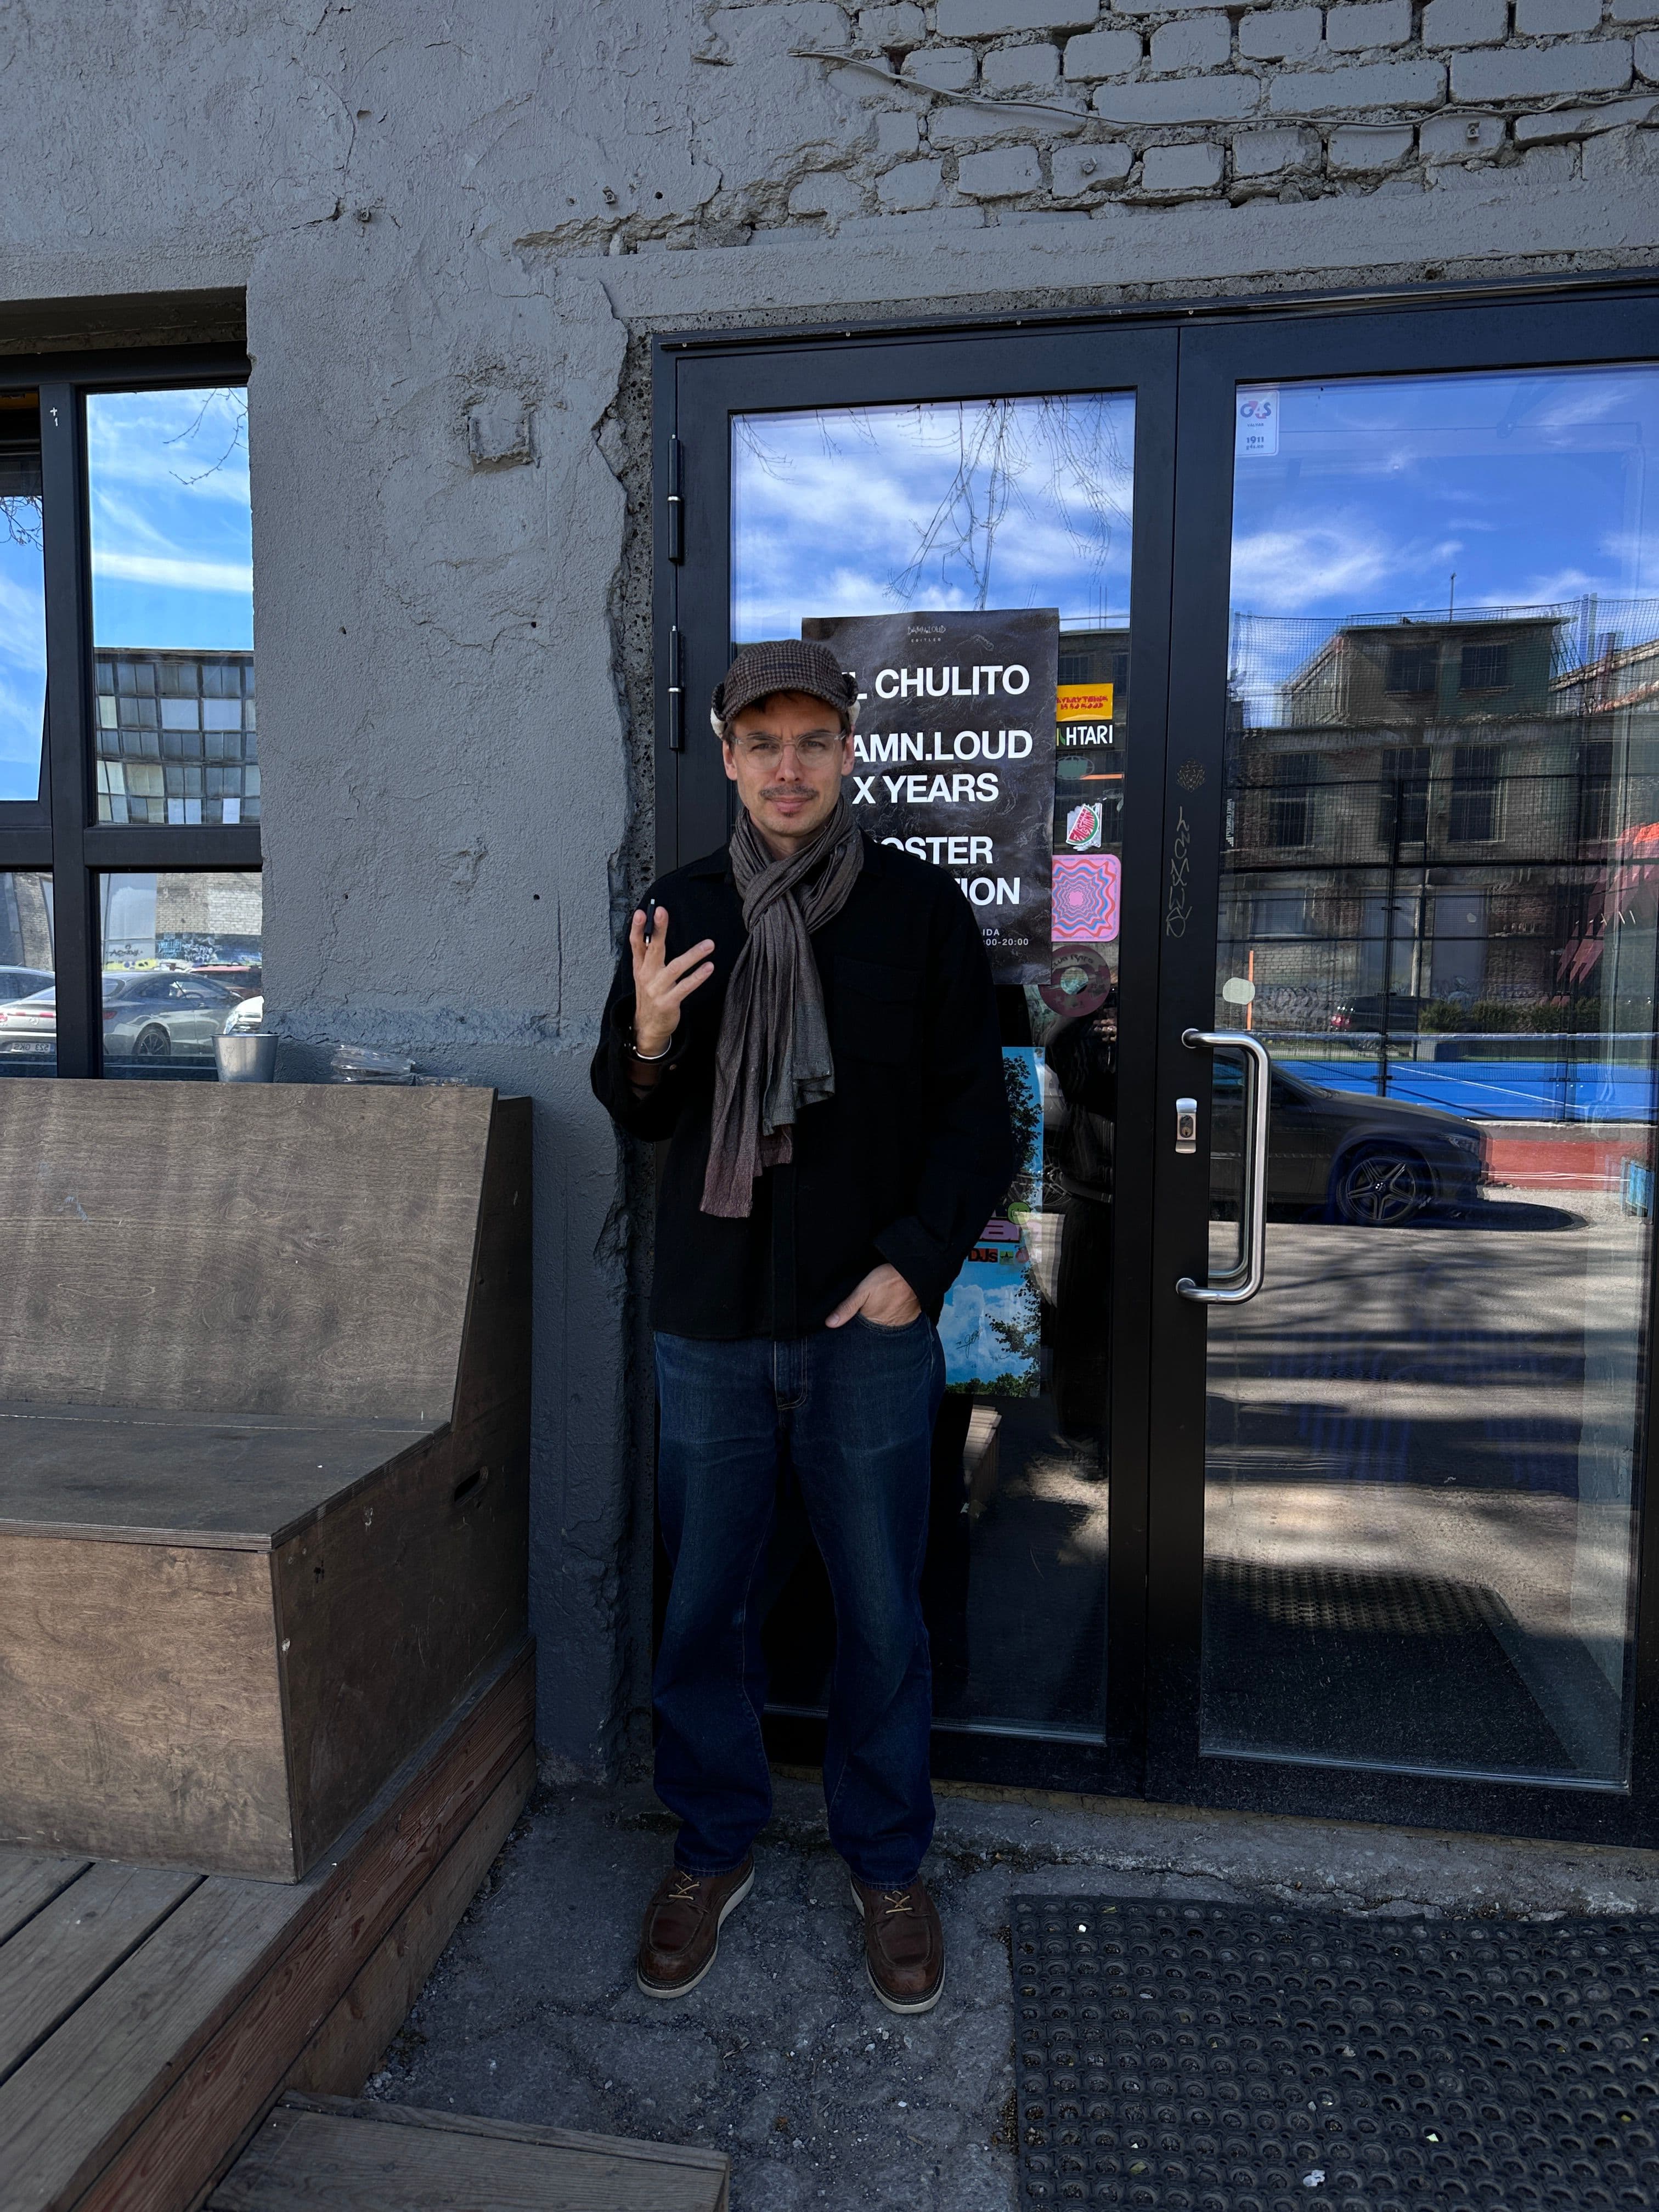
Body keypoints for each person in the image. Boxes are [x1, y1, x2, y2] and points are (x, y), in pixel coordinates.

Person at [591, 637, 1014, 2015]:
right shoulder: (679, 907)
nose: (788, 768)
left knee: (881, 1607)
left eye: (812, 742)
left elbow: (980, 1116)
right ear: (727, 757)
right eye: (763, 743)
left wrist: (915, 1268)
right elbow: (637, 1110)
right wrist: (648, 1038)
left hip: (866, 1326)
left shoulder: (919, 911)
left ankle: (887, 1863)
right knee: (705, 1604)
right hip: (713, 1323)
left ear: (848, 753)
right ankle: (712, 1845)